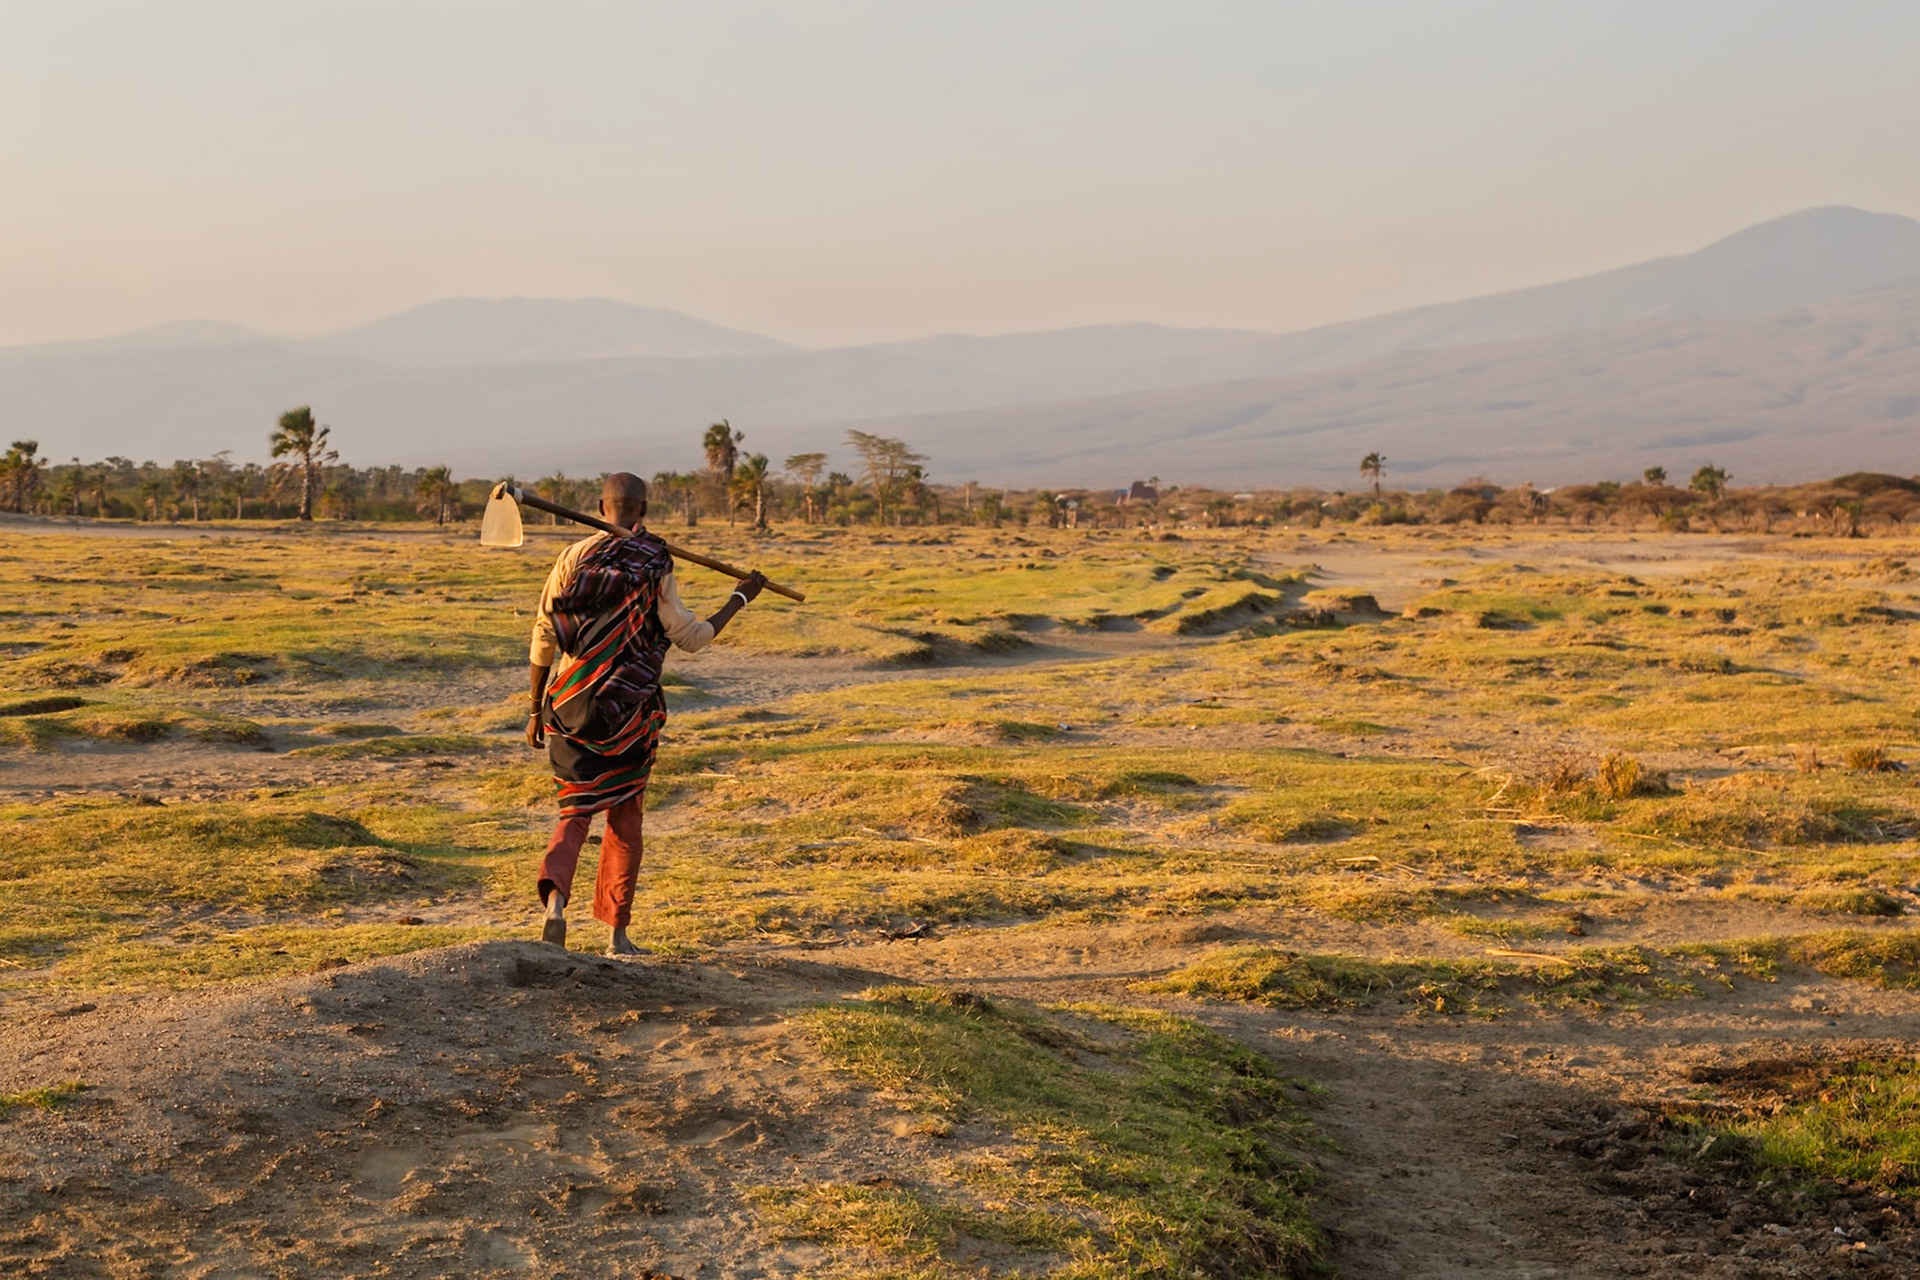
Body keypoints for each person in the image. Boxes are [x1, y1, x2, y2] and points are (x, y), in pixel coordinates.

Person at [525, 472, 765, 955]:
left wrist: (534, 708)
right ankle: (617, 934)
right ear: (645, 511)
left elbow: (543, 633)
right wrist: (739, 598)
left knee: (574, 812)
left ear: (599, 506)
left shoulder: (572, 560)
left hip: (570, 705)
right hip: (629, 710)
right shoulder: (655, 564)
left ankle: (555, 905)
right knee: (625, 818)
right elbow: (691, 638)